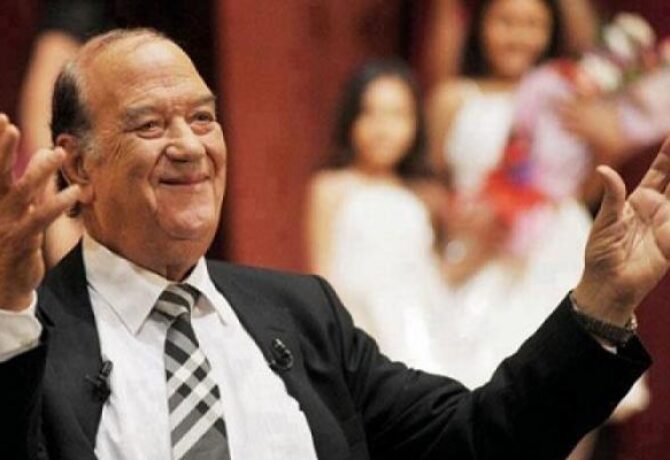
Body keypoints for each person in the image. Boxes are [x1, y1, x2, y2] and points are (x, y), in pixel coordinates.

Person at [0, 28, 668, 459]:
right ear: (78, 166)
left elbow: (479, 438)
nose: (190, 147)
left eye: (203, 118)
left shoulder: (302, 315)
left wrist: (602, 303)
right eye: (149, 125)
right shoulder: (28, 343)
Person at [307, 60, 452, 373]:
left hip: (422, 327)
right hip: (361, 325)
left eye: (398, 114)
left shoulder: (427, 195)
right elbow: (322, 270)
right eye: (370, 113)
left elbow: (434, 272)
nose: (383, 128)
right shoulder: (331, 187)